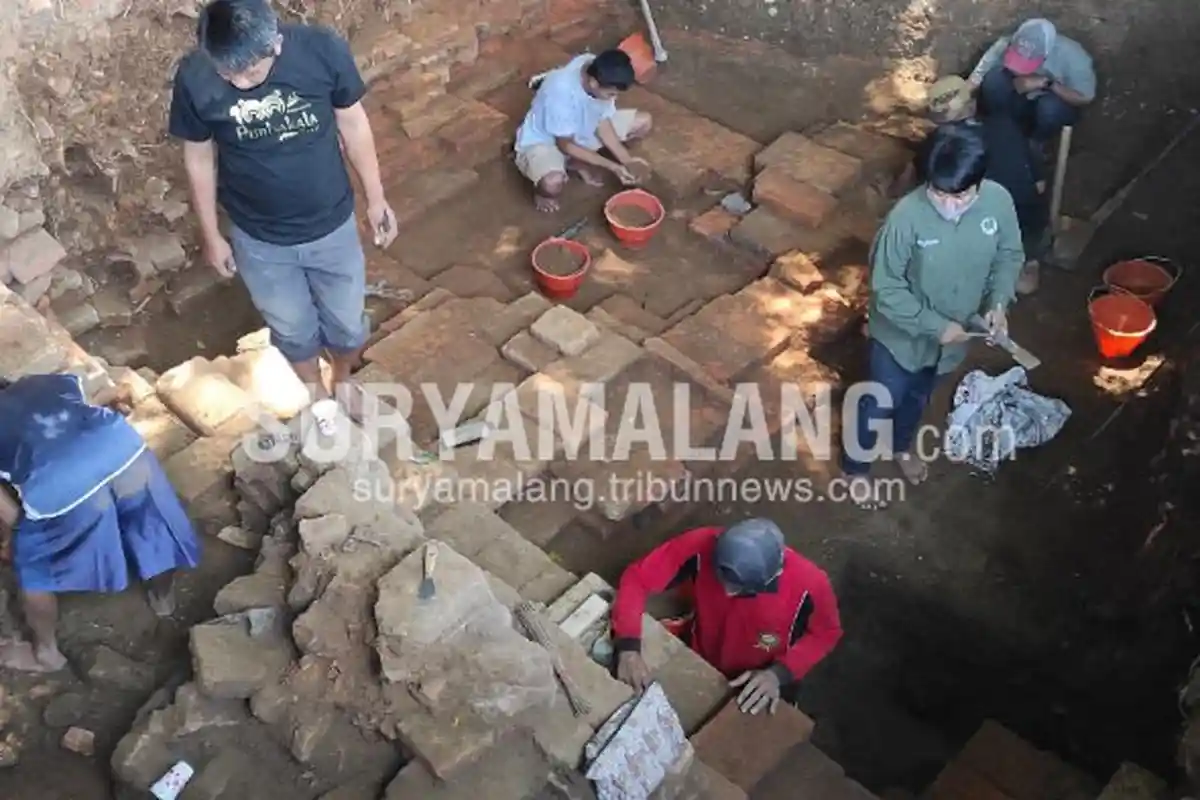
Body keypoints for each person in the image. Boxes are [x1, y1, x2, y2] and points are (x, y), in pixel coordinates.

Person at [169, 0, 395, 435]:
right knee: (292, 328)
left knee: (348, 325)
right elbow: (198, 157)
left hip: (331, 225)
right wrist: (212, 235)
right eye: (226, 73)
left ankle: (343, 379)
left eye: (249, 73)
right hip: (259, 238)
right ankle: (315, 392)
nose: (236, 82)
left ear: (274, 43)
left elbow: (353, 124)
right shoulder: (195, 76)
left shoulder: (321, 50)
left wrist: (376, 198)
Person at [843, 124, 1024, 508]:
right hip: (899, 339)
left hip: (953, 342)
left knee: (919, 396)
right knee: (881, 399)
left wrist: (997, 303)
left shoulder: (998, 202)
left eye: (962, 196)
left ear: (980, 182)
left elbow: (1009, 256)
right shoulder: (905, 219)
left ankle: (900, 446)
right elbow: (886, 288)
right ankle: (854, 468)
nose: (951, 206)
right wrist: (935, 326)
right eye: (940, 194)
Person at [0, 374, 201, 673]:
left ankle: (47, 655)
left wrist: (21, 538)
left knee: (33, 571)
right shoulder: (44, 382)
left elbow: (8, 512)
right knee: (151, 525)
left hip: (59, 482)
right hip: (123, 450)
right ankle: (163, 600)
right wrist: (117, 392)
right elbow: (72, 414)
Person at [610, 519, 843, 715]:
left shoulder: (811, 585)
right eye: (723, 577)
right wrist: (628, 646)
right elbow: (637, 577)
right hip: (700, 656)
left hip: (764, 681)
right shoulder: (702, 544)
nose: (728, 592)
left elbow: (826, 634)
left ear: (776, 574)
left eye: (742, 588)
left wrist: (779, 674)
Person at [916, 76, 1047, 295]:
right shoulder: (1005, 124)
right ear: (972, 106)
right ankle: (1025, 262)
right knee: (1023, 284)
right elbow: (1040, 183)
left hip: (994, 227)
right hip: (1029, 220)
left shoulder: (944, 147)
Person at [514, 49, 654, 212]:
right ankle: (543, 191)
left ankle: (575, 161)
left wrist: (627, 161)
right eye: (610, 94)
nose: (612, 97)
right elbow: (565, 145)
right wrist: (613, 166)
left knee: (644, 122)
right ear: (593, 83)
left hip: (581, 129)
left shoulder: (595, 66)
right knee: (552, 183)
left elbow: (602, 121)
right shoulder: (560, 93)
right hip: (547, 142)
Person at [967, 18, 1096, 145]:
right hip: (1019, 98)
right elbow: (978, 75)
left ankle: (1036, 143)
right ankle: (1002, 127)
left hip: (1051, 105)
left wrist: (1047, 84)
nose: (1019, 71)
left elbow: (1085, 98)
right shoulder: (1006, 43)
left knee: (1049, 107)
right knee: (994, 79)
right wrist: (961, 99)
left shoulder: (1074, 58)